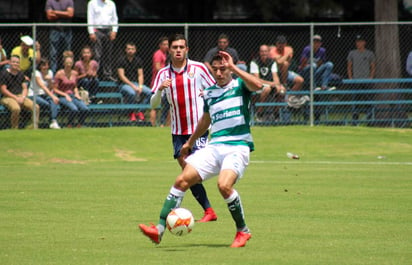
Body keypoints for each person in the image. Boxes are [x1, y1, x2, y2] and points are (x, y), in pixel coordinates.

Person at [139, 51, 263, 248]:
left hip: (237, 146)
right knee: (182, 180)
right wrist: (190, 142)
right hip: (214, 147)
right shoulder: (210, 93)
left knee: (224, 186)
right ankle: (159, 230)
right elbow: (206, 120)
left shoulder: (240, 85)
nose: (220, 72)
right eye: (216, 69)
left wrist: (234, 67)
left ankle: (243, 230)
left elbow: (259, 86)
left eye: (223, 68)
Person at [150, 33, 217, 223]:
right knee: (188, 172)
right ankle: (209, 211)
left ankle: (177, 210)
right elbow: (153, 104)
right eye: (175, 47)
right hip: (178, 132)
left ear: (186, 49)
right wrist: (161, 89)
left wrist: (207, 93)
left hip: (199, 130)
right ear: (169, 50)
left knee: (193, 171)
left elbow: (214, 89)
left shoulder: (199, 68)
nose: (178, 50)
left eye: (181, 47)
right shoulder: (163, 74)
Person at [0, 55, 40, 129]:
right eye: (13, 62)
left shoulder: (21, 74)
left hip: (20, 96)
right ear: (10, 63)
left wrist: (23, 97)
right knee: (16, 108)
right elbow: (3, 90)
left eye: (17, 62)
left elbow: (25, 88)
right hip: (7, 97)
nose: (15, 64)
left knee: (36, 107)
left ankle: (32, 127)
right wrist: (16, 98)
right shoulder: (3, 74)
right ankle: (14, 128)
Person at [117, 42, 152, 122]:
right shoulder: (121, 60)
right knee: (131, 93)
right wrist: (133, 86)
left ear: (135, 50)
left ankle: (140, 112)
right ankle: (131, 113)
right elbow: (122, 76)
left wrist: (140, 86)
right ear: (125, 50)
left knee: (150, 92)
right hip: (124, 84)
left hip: (136, 84)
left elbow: (140, 75)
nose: (130, 51)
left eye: (132, 49)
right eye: (129, 49)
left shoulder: (138, 60)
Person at [249, 44, 285, 121]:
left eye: (265, 51)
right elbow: (257, 80)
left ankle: (276, 114)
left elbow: (276, 79)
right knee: (267, 89)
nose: (264, 53)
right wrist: (271, 83)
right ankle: (259, 113)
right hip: (257, 86)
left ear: (268, 52)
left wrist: (277, 85)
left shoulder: (272, 62)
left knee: (281, 90)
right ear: (259, 52)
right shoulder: (254, 62)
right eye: (262, 51)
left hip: (269, 85)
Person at [347, 34, 376, 124]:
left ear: (364, 42)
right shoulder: (352, 53)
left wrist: (371, 77)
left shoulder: (369, 53)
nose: (358, 43)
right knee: (356, 100)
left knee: (368, 100)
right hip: (356, 80)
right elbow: (349, 66)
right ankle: (355, 120)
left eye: (360, 41)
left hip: (366, 80)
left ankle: (369, 119)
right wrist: (351, 78)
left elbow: (373, 66)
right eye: (357, 42)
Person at [53, 55, 89, 128]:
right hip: (62, 96)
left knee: (85, 109)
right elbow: (55, 89)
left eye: (70, 63)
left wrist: (76, 93)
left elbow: (75, 86)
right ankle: (69, 124)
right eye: (67, 63)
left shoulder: (74, 73)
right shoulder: (59, 73)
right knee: (74, 109)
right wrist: (65, 95)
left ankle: (79, 125)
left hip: (72, 95)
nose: (69, 64)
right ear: (64, 63)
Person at [87, 0, 118, 81]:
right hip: (97, 30)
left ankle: (107, 74)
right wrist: (91, 32)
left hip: (108, 30)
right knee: (97, 54)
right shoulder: (92, 3)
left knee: (108, 53)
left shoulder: (111, 3)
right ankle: (95, 73)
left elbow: (114, 18)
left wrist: (114, 30)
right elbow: (90, 17)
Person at [29, 58, 61, 129]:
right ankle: (51, 121)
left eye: (47, 65)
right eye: (43, 65)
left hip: (45, 94)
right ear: (40, 66)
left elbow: (50, 88)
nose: (46, 67)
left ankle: (53, 121)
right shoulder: (36, 73)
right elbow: (42, 86)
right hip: (34, 94)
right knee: (47, 104)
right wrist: (52, 96)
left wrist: (49, 80)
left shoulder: (50, 72)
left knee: (54, 102)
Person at [45, 0, 74, 73]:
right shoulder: (50, 1)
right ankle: (53, 73)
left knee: (67, 53)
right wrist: (65, 13)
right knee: (53, 53)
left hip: (67, 30)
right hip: (55, 29)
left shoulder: (69, 1)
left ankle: (66, 72)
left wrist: (55, 12)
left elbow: (70, 14)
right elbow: (49, 16)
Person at [150, 36, 169, 127]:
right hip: (157, 83)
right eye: (164, 44)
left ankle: (163, 124)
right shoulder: (158, 54)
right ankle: (153, 125)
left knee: (166, 105)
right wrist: (168, 71)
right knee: (155, 105)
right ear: (160, 45)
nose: (166, 46)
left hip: (164, 83)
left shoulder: (165, 54)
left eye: (167, 44)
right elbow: (157, 67)